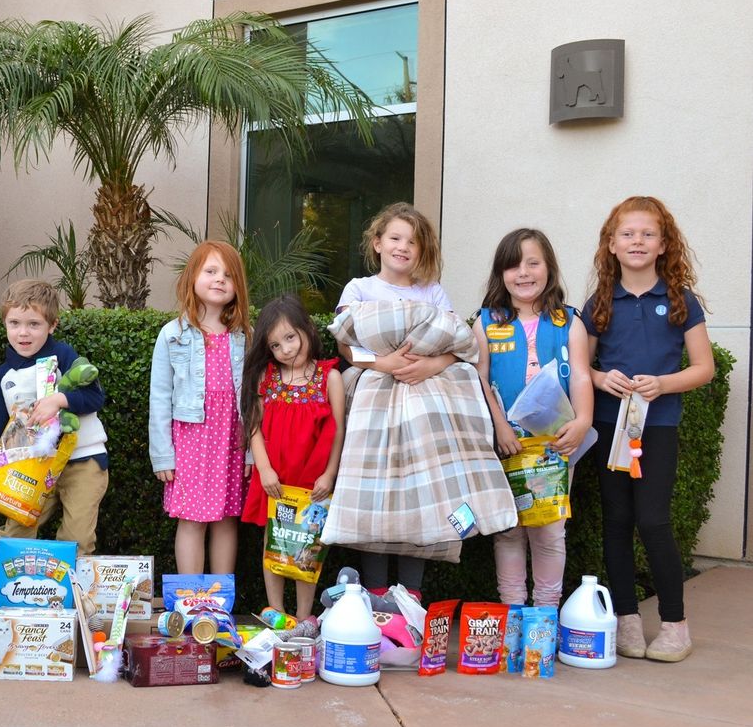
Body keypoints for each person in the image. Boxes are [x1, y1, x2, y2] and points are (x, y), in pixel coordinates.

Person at [582, 196, 714, 663]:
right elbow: (580, 365)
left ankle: (676, 626)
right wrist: (599, 378)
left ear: (663, 245)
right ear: (612, 245)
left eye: (647, 234)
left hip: (656, 426)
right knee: (616, 521)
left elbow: (704, 368)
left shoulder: (681, 301)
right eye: (627, 234)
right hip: (607, 425)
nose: (637, 241)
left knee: (653, 520)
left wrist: (662, 384)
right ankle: (626, 621)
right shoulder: (598, 302)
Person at [335, 202, 458, 599]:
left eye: (413, 241)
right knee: (375, 491)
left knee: (417, 491)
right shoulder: (359, 289)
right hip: (372, 406)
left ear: (423, 251)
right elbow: (347, 348)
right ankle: (373, 597)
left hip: (423, 403)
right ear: (377, 243)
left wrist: (431, 365)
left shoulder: (433, 292)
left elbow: (456, 345)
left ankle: (411, 599)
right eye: (395, 238)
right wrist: (383, 362)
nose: (403, 247)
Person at [472, 228, 593, 607]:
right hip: (504, 444)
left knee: (549, 531)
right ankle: (512, 612)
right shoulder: (485, 321)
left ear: (549, 268)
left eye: (533, 263)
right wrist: (499, 427)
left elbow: (582, 374)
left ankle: (545, 613)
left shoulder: (568, 321)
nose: (523, 273)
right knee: (508, 531)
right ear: (500, 273)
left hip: (554, 445)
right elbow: (478, 378)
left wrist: (583, 421)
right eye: (513, 265)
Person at [0, 280, 108, 555]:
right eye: (15, 323)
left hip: (82, 461)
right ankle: (7, 589)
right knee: (16, 532)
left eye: (34, 324)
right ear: (5, 324)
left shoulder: (63, 355)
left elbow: (96, 397)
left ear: (52, 325)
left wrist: (59, 400)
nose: (23, 333)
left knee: (77, 536)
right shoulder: (4, 375)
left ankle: (73, 594)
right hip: (30, 467)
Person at [149, 240, 251, 574]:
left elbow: (254, 399)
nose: (220, 279)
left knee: (226, 518)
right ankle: (191, 600)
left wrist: (251, 451)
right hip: (192, 438)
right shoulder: (173, 334)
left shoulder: (245, 336)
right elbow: (160, 397)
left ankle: (221, 602)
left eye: (228, 275)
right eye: (211, 271)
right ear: (193, 276)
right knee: (192, 519)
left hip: (232, 440)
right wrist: (163, 454)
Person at [240, 295, 345, 618]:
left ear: (307, 330)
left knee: (306, 547)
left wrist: (329, 475)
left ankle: (302, 616)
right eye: (275, 345)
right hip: (276, 482)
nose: (285, 349)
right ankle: (275, 611)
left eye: (290, 337)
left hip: (312, 483)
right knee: (274, 544)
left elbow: (339, 431)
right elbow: (254, 427)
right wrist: (265, 469)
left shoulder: (330, 377)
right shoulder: (266, 378)